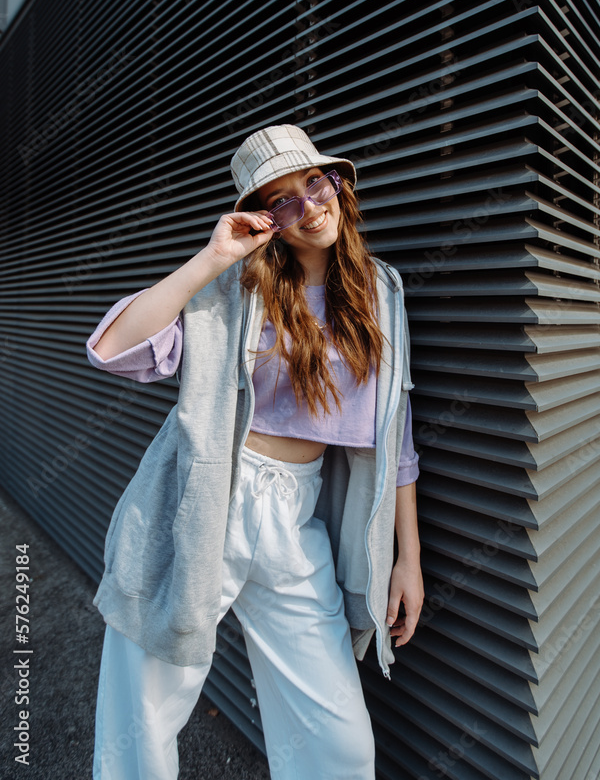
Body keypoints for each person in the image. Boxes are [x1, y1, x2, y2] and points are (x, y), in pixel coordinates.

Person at [85, 123, 424, 780]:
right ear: (264, 217)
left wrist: (406, 559)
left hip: (296, 523)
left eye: (312, 184)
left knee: (339, 742)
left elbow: (395, 432)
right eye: (282, 200)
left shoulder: (382, 290)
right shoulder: (238, 287)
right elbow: (115, 348)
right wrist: (212, 258)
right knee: (141, 724)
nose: (308, 207)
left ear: (337, 184)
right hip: (202, 504)